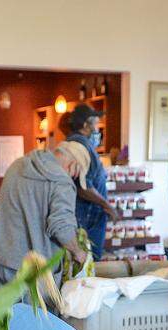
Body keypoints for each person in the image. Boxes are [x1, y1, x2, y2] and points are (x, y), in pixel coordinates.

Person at [0, 141, 89, 286]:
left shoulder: (18, 165)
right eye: (76, 174)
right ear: (73, 165)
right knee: (36, 310)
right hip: (35, 271)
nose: (72, 177)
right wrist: (78, 252)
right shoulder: (62, 182)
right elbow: (61, 227)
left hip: (2, 260)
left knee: (8, 309)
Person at [65, 103, 120, 258]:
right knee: (88, 263)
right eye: (95, 124)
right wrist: (107, 205)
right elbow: (84, 187)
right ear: (85, 125)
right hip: (88, 219)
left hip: (80, 217)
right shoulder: (83, 147)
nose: (97, 129)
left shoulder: (70, 144)